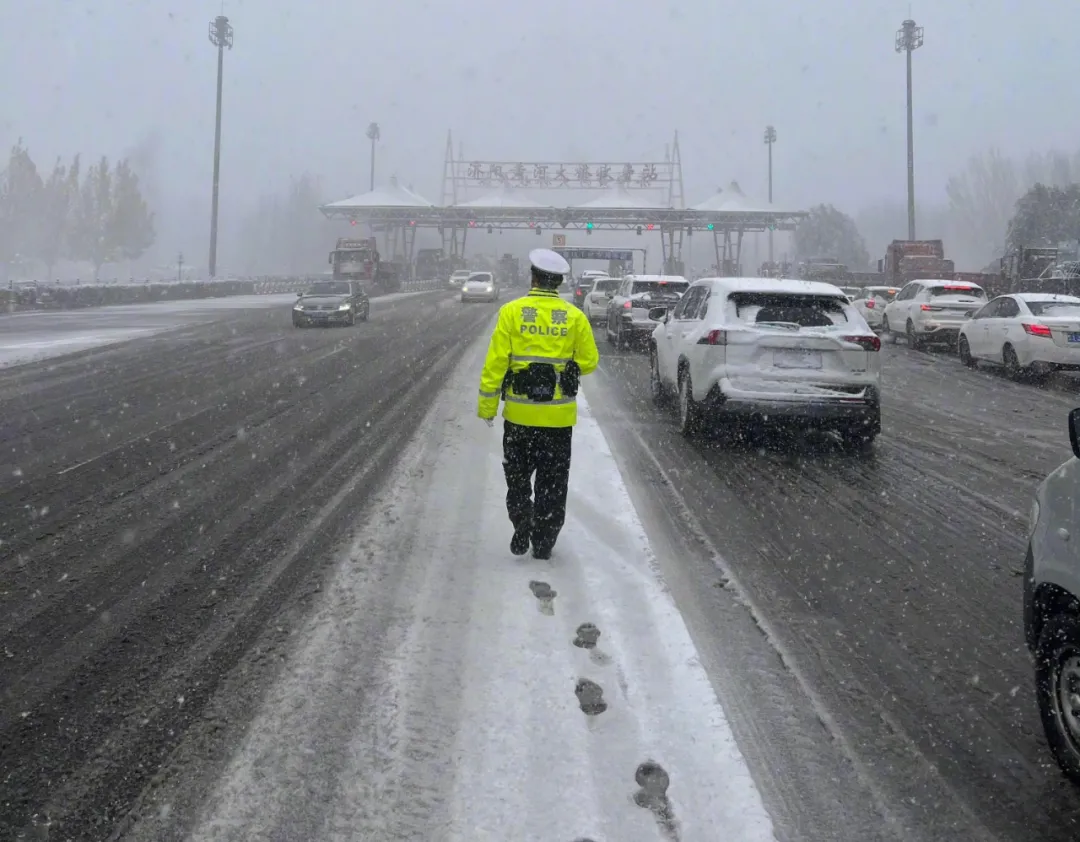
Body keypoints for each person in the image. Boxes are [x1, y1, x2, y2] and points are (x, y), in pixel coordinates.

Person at [477, 248, 600, 560]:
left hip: (519, 417)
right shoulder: (574, 316)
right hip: (558, 422)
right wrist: (569, 366)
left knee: (517, 479)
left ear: (532, 277)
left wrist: (488, 407)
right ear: (558, 282)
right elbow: (589, 361)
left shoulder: (512, 312)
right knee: (553, 485)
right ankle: (544, 541)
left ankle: (521, 519)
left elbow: (495, 365)